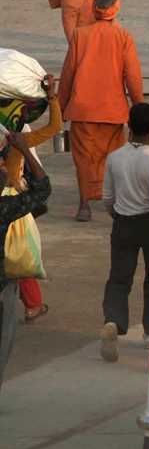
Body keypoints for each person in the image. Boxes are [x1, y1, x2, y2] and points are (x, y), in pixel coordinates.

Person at [59, 0, 144, 222]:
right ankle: (114, 204)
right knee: (112, 158)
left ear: (94, 10)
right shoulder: (123, 36)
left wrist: (60, 105)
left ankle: (84, 204)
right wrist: (139, 105)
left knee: (84, 158)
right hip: (112, 110)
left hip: (83, 108)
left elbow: (68, 74)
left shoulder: (80, 35)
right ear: (116, 10)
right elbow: (132, 76)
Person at [99, 102, 149, 361]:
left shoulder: (114, 157)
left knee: (119, 278)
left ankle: (113, 320)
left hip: (123, 221)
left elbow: (107, 197)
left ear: (128, 125)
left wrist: (116, 214)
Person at [2, 75, 59, 323]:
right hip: (13, 200)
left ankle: (33, 303)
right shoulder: (18, 139)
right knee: (19, 252)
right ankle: (32, 305)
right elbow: (55, 127)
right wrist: (53, 97)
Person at [0, 133, 51, 391]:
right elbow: (43, 190)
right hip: (4, 284)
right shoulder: (6, 207)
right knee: (5, 336)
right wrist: (24, 150)